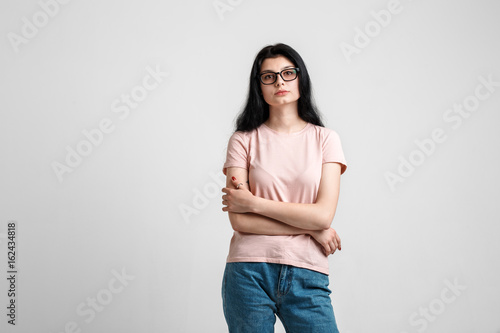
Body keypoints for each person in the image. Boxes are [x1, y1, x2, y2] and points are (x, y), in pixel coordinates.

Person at [221, 43, 347, 333]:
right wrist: (311, 228)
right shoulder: (243, 140)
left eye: (288, 73)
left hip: (308, 272)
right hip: (248, 271)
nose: (279, 81)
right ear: (259, 87)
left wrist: (253, 202)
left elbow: (323, 216)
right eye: (269, 76)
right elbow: (239, 220)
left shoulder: (326, 140)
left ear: (301, 78)